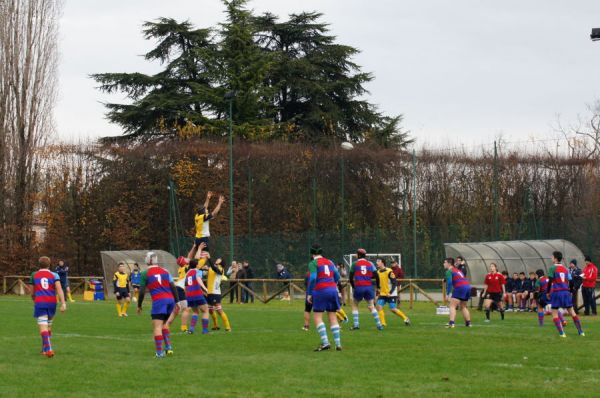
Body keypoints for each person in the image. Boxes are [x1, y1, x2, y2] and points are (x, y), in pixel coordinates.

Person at [137, 251, 178, 358]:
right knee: (164, 324)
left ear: (148, 260)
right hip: (170, 300)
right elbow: (173, 286)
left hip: (159, 301)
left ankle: (159, 353)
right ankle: (168, 347)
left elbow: (141, 291)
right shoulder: (165, 271)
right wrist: (177, 302)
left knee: (157, 327)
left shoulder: (145, 273)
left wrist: (139, 305)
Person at [28, 256, 67, 357]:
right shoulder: (54, 275)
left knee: (43, 326)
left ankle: (49, 349)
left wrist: (34, 300)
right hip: (52, 302)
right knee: (48, 325)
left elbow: (32, 292)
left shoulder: (34, 275)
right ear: (49, 264)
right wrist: (63, 303)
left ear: (39, 264)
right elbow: (59, 289)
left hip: (40, 302)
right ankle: (44, 350)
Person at [306, 244, 342, 351]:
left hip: (320, 290)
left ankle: (325, 343)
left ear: (312, 254)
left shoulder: (313, 263)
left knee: (317, 317)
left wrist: (309, 293)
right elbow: (337, 276)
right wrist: (332, 284)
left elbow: (313, 278)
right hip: (332, 290)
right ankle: (338, 344)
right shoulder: (330, 262)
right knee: (332, 316)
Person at [546, 251, 584, 337]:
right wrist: (570, 291)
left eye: (552, 257)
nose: (551, 258)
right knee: (572, 312)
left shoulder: (552, 268)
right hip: (566, 292)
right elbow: (571, 282)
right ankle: (581, 332)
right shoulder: (566, 269)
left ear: (555, 258)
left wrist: (548, 292)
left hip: (556, 292)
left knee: (554, 313)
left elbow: (550, 281)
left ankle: (562, 333)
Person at [349, 248, 382, 331]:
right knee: (371, 305)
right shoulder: (370, 263)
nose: (356, 255)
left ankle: (356, 325)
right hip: (369, 287)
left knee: (355, 304)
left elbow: (350, 277)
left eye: (356, 254)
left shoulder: (354, 264)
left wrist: (353, 286)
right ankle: (379, 325)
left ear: (359, 255)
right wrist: (378, 286)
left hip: (359, 286)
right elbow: (376, 276)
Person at [198, 250, 231, 332]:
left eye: (219, 259)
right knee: (210, 310)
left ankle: (228, 327)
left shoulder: (220, 269)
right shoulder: (211, 268)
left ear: (221, 262)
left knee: (219, 310)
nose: (217, 259)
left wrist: (209, 259)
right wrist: (202, 269)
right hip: (209, 292)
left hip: (215, 293)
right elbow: (204, 272)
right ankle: (215, 325)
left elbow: (214, 268)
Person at [375, 258, 411, 326]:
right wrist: (378, 290)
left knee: (393, 309)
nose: (376, 262)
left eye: (378, 261)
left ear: (382, 263)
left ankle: (406, 318)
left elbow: (394, 283)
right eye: (376, 261)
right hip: (383, 293)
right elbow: (378, 283)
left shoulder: (389, 271)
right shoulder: (378, 272)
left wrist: (390, 292)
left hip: (391, 293)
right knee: (379, 307)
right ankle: (383, 323)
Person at [184, 258, 210, 334]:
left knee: (195, 311)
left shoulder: (187, 273)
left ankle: (191, 329)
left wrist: (186, 295)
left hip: (189, 295)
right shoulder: (198, 271)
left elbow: (186, 286)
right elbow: (199, 280)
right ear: (197, 265)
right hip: (197, 294)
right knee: (205, 310)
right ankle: (205, 330)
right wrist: (205, 289)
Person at [444, 257, 471, 328]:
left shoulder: (449, 271)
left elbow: (449, 283)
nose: (443, 264)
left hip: (460, 288)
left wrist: (448, 294)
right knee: (463, 306)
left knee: (452, 306)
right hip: (467, 287)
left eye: (445, 262)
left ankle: (451, 323)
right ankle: (468, 323)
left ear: (449, 264)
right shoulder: (457, 270)